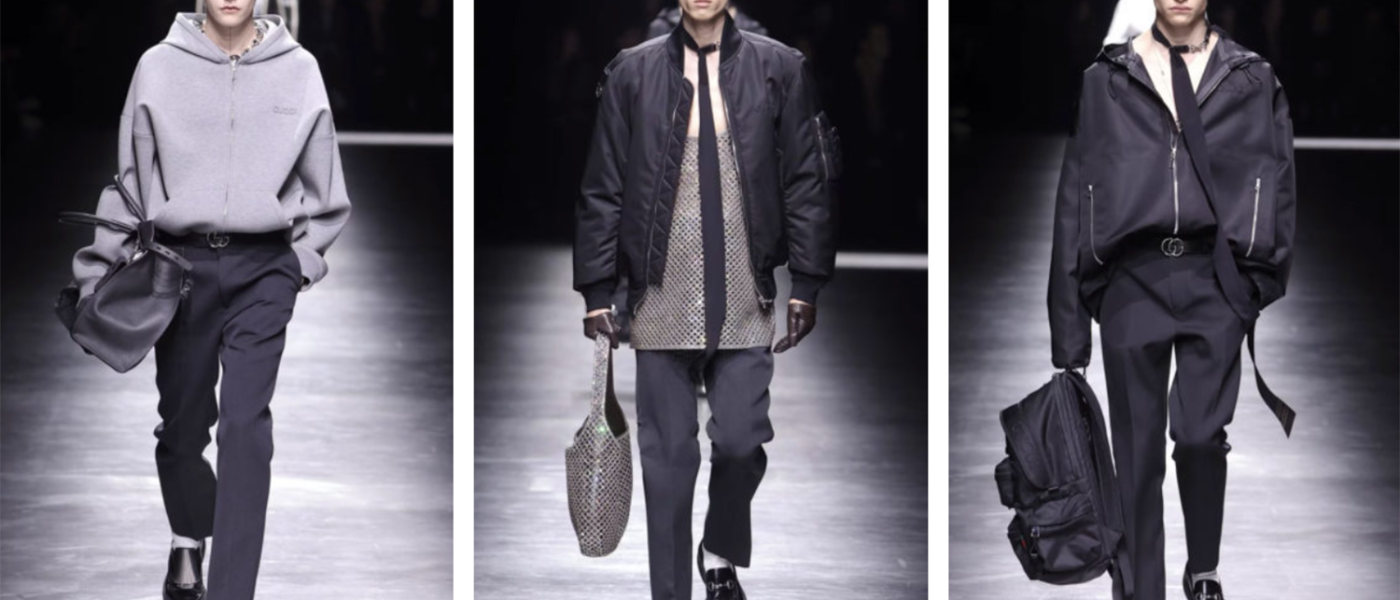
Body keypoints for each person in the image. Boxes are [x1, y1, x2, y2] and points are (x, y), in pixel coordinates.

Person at [68, 1, 352, 598]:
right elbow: (130, 178)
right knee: (182, 426)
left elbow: (326, 186)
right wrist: (96, 270)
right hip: (179, 267)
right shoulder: (158, 66)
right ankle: (187, 536)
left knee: (245, 431)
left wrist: (298, 264)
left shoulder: (298, 70)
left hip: (264, 270)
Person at [572, 0, 840, 598]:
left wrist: (808, 281)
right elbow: (603, 186)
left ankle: (718, 549)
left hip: (745, 294)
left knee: (742, 441)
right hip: (659, 299)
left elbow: (806, 177)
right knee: (666, 465)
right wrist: (596, 291)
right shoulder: (632, 72)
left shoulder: (779, 68)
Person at [1047, 0, 1295, 599]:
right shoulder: (1107, 80)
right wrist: (1069, 330)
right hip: (1133, 280)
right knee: (1136, 454)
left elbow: (1279, 176)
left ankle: (1203, 569)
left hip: (1217, 278)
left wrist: (1258, 281)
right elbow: (1075, 196)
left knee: (1200, 435)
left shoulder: (1250, 78)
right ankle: (1142, 590)